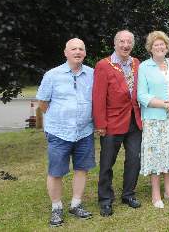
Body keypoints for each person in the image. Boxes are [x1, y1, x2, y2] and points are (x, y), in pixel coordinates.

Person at [36, 38, 95, 227]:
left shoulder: (93, 74)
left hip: (84, 131)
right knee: (56, 171)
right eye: (73, 49)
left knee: (82, 169)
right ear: (66, 52)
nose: (77, 52)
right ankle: (56, 208)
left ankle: (76, 204)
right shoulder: (52, 75)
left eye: (81, 49)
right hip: (59, 132)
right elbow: (43, 104)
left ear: (85, 53)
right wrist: (60, 118)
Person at [137, 31, 169, 209]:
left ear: (167, 46)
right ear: (150, 48)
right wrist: (164, 104)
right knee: (156, 155)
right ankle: (155, 194)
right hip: (155, 119)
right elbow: (142, 95)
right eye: (155, 45)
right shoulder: (144, 67)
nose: (159, 47)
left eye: (162, 44)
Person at [92, 30, 143, 217]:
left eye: (129, 42)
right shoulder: (104, 65)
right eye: (121, 41)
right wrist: (100, 124)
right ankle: (105, 199)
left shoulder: (137, 63)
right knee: (107, 163)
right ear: (115, 43)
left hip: (134, 121)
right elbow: (98, 97)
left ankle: (128, 194)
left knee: (134, 160)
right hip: (112, 122)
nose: (125, 45)